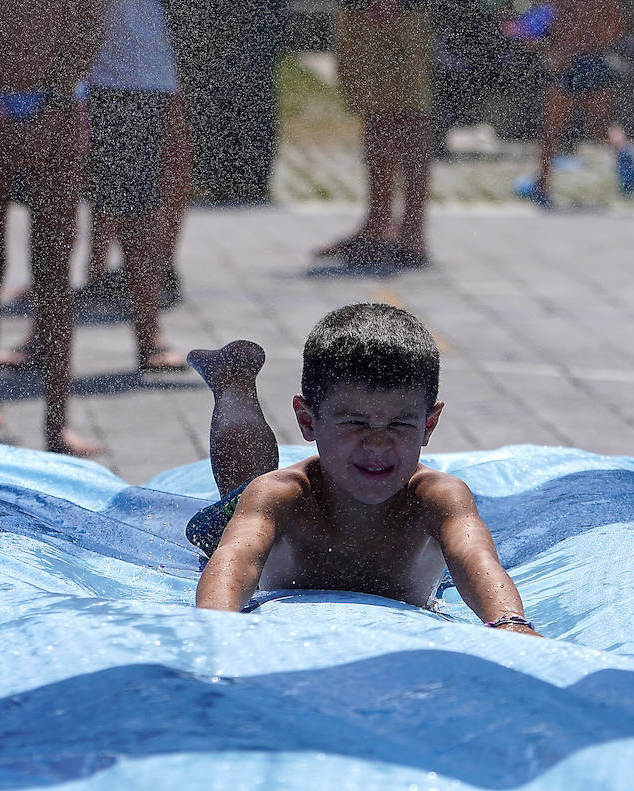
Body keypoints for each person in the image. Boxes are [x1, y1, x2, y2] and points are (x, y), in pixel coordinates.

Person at [187, 303, 541, 636]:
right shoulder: (281, 496)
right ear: (307, 421)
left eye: (400, 424)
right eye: (355, 423)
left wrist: (511, 625)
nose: (377, 444)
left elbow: (474, 558)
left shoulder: (438, 496)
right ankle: (232, 379)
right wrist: (216, 625)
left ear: (428, 425)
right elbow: (238, 557)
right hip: (254, 517)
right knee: (249, 488)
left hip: (425, 585)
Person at [0, 0, 106, 456]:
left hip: (58, 102)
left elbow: (89, 27)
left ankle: (56, 422)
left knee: (53, 273)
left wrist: (52, 100)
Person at [1, 0, 192, 373]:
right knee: (54, 212)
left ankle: (149, 332)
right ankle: (41, 332)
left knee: (137, 213)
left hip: (133, 74)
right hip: (61, 75)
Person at [313, 0, 434, 268]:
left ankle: (411, 232)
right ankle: (378, 224)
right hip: (362, 10)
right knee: (376, 111)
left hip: (398, 12)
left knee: (408, 112)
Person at [517, 0, 634, 209]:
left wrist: (552, 51)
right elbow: (617, 24)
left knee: (551, 132)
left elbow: (541, 29)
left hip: (569, 64)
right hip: (597, 62)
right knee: (602, 127)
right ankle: (622, 148)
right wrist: (596, 42)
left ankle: (542, 187)